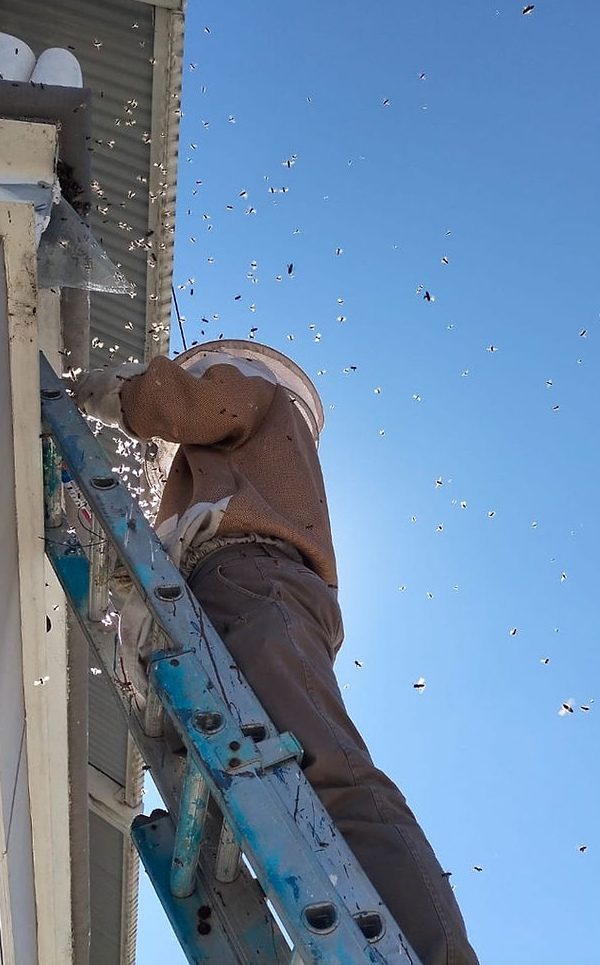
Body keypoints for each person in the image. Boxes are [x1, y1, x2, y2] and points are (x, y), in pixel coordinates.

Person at [74, 340, 479, 965]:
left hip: (251, 576)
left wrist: (117, 393)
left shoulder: (250, 391)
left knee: (328, 774)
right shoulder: (265, 456)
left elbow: (194, 403)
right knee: (278, 780)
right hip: (259, 587)